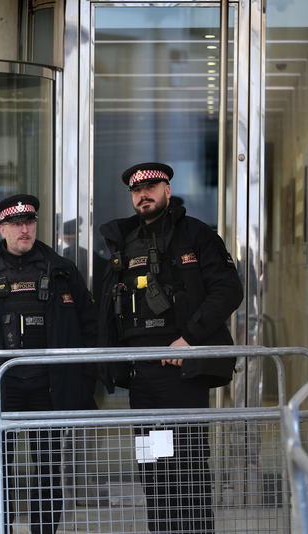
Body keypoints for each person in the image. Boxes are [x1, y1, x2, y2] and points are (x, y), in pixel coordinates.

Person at [97, 162, 243, 533]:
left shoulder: (195, 235)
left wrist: (189, 339)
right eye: (136, 191)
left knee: (188, 462)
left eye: (150, 188)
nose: (142, 195)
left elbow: (228, 290)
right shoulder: (124, 243)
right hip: (143, 376)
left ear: (166, 190)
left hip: (182, 372)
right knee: (153, 463)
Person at [0, 194, 97, 534]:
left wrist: (83, 382)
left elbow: (90, 327)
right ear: (1, 229)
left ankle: (44, 530)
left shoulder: (61, 270)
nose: (24, 229)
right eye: (15, 224)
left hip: (49, 388)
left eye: (29, 222)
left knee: (47, 467)